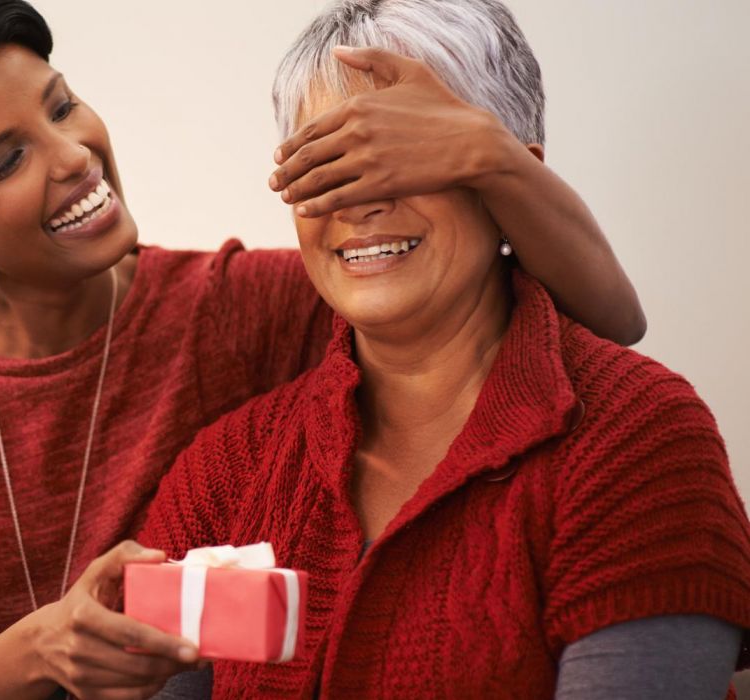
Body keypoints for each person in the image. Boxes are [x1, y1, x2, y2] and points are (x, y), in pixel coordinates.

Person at [0, 1, 646, 696]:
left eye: (60, 107)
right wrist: (45, 647)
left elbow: (598, 325)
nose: (73, 155)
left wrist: (490, 155)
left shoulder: (237, 307)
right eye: (6, 162)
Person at [136, 0, 750, 696]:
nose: (360, 202)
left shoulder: (638, 439)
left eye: (401, 158)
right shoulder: (228, 470)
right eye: (327, 164)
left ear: (512, 186)